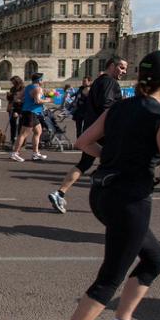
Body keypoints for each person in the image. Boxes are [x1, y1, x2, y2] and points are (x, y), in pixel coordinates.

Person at [67, 50, 160, 320]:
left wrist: (111, 157)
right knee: (109, 279)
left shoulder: (119, 107)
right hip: (129, 200)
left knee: (154, 259)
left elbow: (82, 142)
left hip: (102, 193)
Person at [48, 57, 127, 213]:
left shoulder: (98, 81)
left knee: (84, 163)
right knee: (120, 162)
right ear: (112, 66)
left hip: (92, 129)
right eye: (122, 67)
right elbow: (107, 107)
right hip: (104, 131)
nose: (124, 72)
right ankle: (114, 200)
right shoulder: (110, 83)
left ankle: (60, 193)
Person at [10, 73, 51, 162]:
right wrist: (48, 100)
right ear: (39, 80)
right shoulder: (38, 88)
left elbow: (17, 98)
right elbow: (38, 101)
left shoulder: (28, 87)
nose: (43, 81)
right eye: (42, 80)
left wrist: (26, 100)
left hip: (31, 112)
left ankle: (35, 153)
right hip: (31, 113)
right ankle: (15, 153)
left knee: (38, 131)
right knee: (23, 134)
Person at [5, 76, 24, 146]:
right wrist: (8, 96)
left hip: (20, 108)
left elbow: (23, 99)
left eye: (13, 82)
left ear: (17, 81)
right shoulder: (12, 88)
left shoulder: (23, 89)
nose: (12, 83)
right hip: (12, 108)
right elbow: (10, 99)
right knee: (12, 125)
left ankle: (21, 142)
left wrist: (16, 99)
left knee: (21, 126)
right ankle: (12, 140)